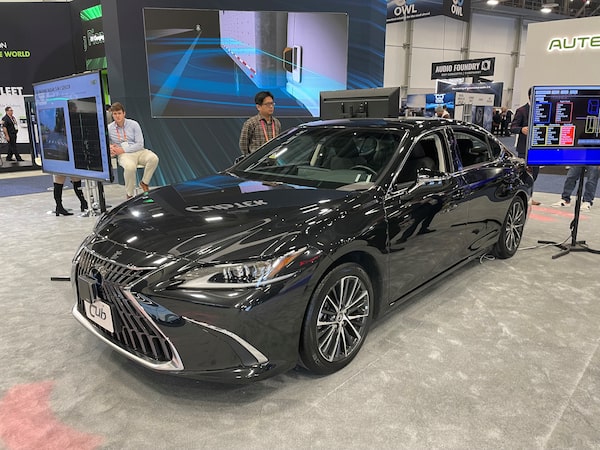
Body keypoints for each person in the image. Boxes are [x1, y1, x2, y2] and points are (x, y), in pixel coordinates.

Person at [107, 102, 159, 198]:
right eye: (115, 114)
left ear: (124, 113)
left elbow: (140, 144)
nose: (117, 116)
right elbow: (105, 143)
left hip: (139, 151)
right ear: (112, 115)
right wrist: (110, 147)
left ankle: (144, 183)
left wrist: (123, 149)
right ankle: (129, 194)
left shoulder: (134, 124)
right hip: (124, 155)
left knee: (154, 158)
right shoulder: (109, 128)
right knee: (130, 167)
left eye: (119, 113)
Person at [511, 87, 541, 205]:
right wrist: (521, 129)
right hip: (524, 148)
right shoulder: (522, 110)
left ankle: (530, 195)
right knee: (525, 174)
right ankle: (524, 196)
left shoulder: (541, 110)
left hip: (537, 147)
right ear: (530, 96)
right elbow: (512, 128)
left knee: (535, 174)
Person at [239, 91, 281, 156]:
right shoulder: (251, 123)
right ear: (258, 107)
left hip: (274, 159)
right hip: (257, 160)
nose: (271, 106)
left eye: (272, 104)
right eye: (267, 104)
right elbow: (243, 145)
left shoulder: (276, 123)